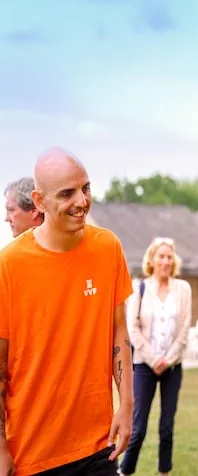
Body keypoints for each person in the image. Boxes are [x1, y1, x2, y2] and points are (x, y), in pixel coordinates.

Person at [0, 147, 134, 475]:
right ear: (40, 201)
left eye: (85, 188)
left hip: (96, 446)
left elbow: (119, 331)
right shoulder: (9, 265)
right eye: (67, 193)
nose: (82, 201)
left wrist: (127, 405)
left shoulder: (108, 247)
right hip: (31, 454)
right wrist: (1, 448)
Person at [119, 237, 192, 476]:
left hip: (172, 367)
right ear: (152, 259)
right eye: (161, 256)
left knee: (167, 427)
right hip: (144, 366)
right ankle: (125, 471)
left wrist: (167, 360)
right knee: (138, 427)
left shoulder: (183, 289)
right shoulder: (139, 287)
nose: (165, 261)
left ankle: (164, 472)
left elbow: (184, 329)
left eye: (169, 256)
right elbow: (133, 328)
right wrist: (153, 360)